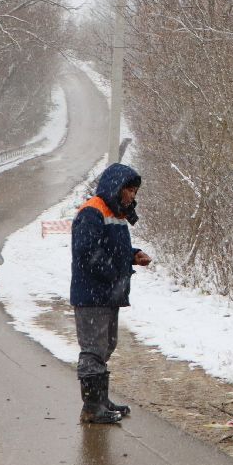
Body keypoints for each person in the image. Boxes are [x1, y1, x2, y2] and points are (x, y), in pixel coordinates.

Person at [70, 162, 151, 424]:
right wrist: (113, 273)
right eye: (129, 190)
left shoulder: (116, 213)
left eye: (135, 191)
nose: (132, 196)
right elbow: (87, 252)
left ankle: (101, 400)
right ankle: (91, 406)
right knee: (93, 348)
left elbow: (113, 249)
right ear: (116, 187)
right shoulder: (92, 211)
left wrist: (133, 255)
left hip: (108, 294)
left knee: (107, 345)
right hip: (92, 294)